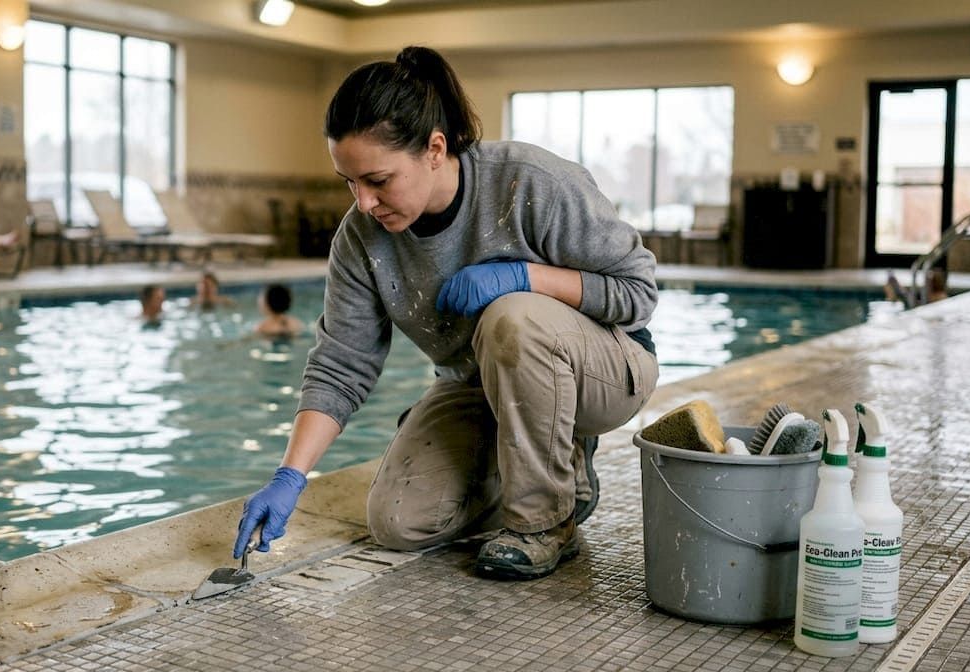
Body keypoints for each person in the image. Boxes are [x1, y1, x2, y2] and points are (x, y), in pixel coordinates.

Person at [232, 46, 659, 581]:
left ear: (434, 149)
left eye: (379, 180)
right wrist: (290, 474)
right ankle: (540, 465)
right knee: (398, 522)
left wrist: (525, 277)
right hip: (480, 381)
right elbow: (342, 363)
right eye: (350, 182)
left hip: (606, 371)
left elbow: (638, 292)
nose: (363, 202)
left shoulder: (530, 182)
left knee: (513, 317)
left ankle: (545, 522)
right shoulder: (361, 238)